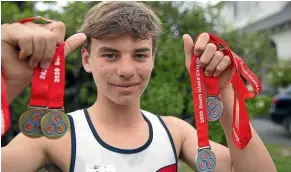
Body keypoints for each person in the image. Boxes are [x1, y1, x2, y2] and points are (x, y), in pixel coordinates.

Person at [1, 1, 276, 172]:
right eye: (110, 54)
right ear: (86, 59)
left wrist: (223, 91)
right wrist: (7, 83)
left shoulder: (175, 132)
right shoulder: (54, 135)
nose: (126, 70)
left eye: (140, 54)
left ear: (153, 59)